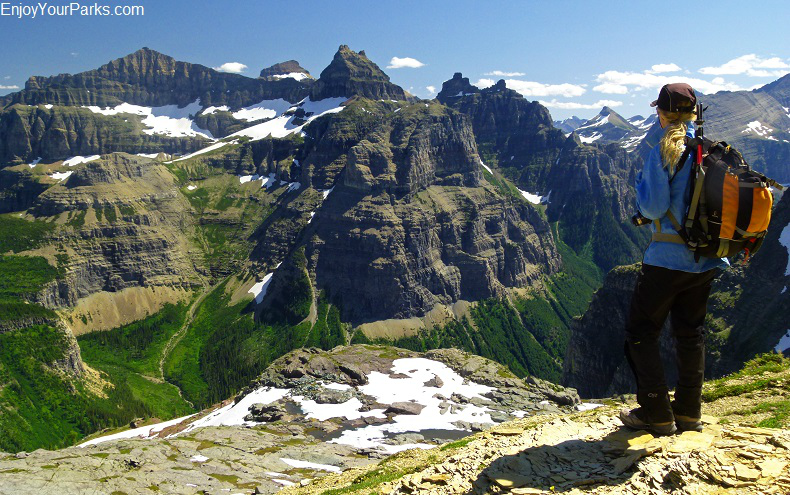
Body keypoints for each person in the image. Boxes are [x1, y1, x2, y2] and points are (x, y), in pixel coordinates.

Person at [620, 83, 729, 435]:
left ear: (662, 114)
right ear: (694, 112)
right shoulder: (713, 151)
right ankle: (688, 413)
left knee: (641, 332)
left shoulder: (664, 151)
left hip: (667, 260)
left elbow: (653, 207)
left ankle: (656, 413)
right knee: (690, 333)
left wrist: (641, 196)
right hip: (706, 261)